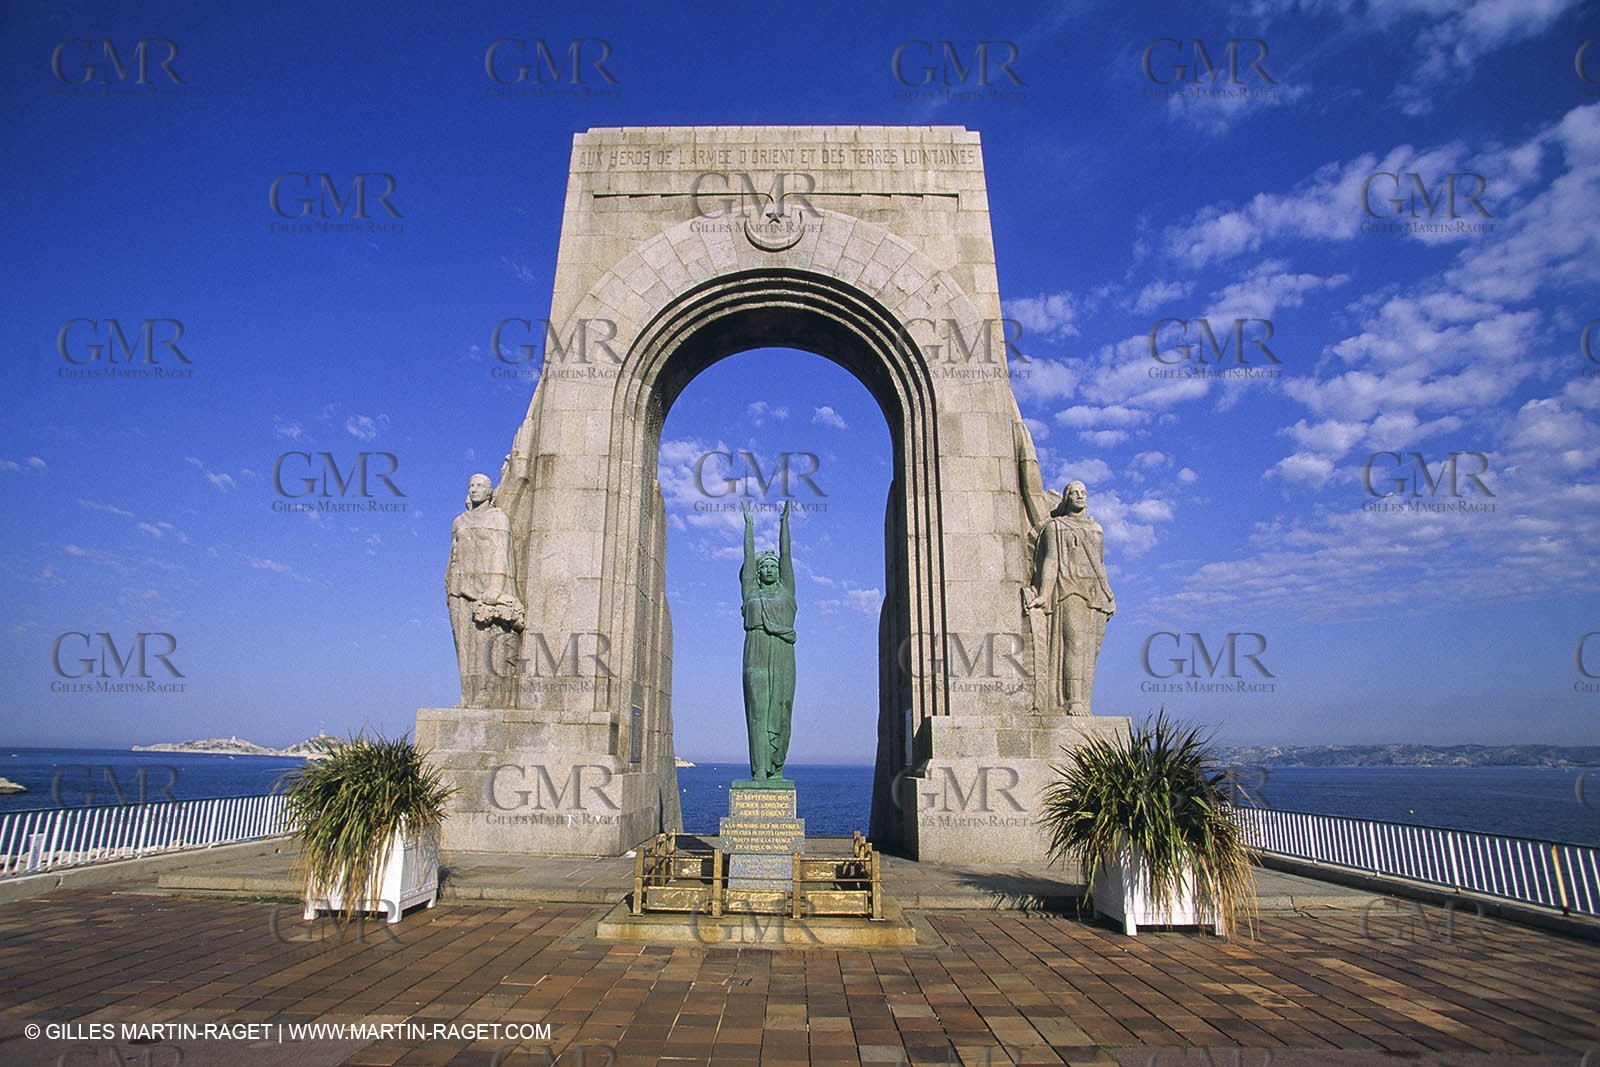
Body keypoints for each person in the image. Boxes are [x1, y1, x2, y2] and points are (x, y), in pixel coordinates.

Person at [1026, 480, 1115, 716]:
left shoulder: (1096, 529)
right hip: (1069, 588)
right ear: (1066, 498)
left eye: (1083, 492)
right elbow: (1051, 561)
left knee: (1090, 649)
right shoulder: (1056, 527)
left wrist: (1109, 593)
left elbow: (1100, 564)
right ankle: (1072, 700)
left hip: (1095, 592)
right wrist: (1044, 595)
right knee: (1073, 643)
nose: (1079, 496)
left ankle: (1084, 700)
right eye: (1074, 492)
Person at [446, 474, 524, 706]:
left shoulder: (498, 519)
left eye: (480, 486)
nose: (474, 489)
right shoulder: (459, 521)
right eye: (471, 485)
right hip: (459, 588)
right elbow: (453, 555)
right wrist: (449, 584)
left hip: (486, 590)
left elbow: (502, 553)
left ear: (490, 492)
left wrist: (496, 588)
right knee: (464, 646)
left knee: (487, 646)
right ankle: (466, 695)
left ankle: (487, 696)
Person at [740, 499, 796, 781]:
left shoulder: (787, 591)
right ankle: (759, 770)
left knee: (781, 709)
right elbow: (748, 560)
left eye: (774, 566)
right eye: (766, 567)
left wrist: (784, 523)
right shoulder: (750, 591)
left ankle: (776, 765)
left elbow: (786, 555)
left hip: (783, 652)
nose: (770, 570)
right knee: (757, 710)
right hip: (756, 649)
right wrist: (749, 527)